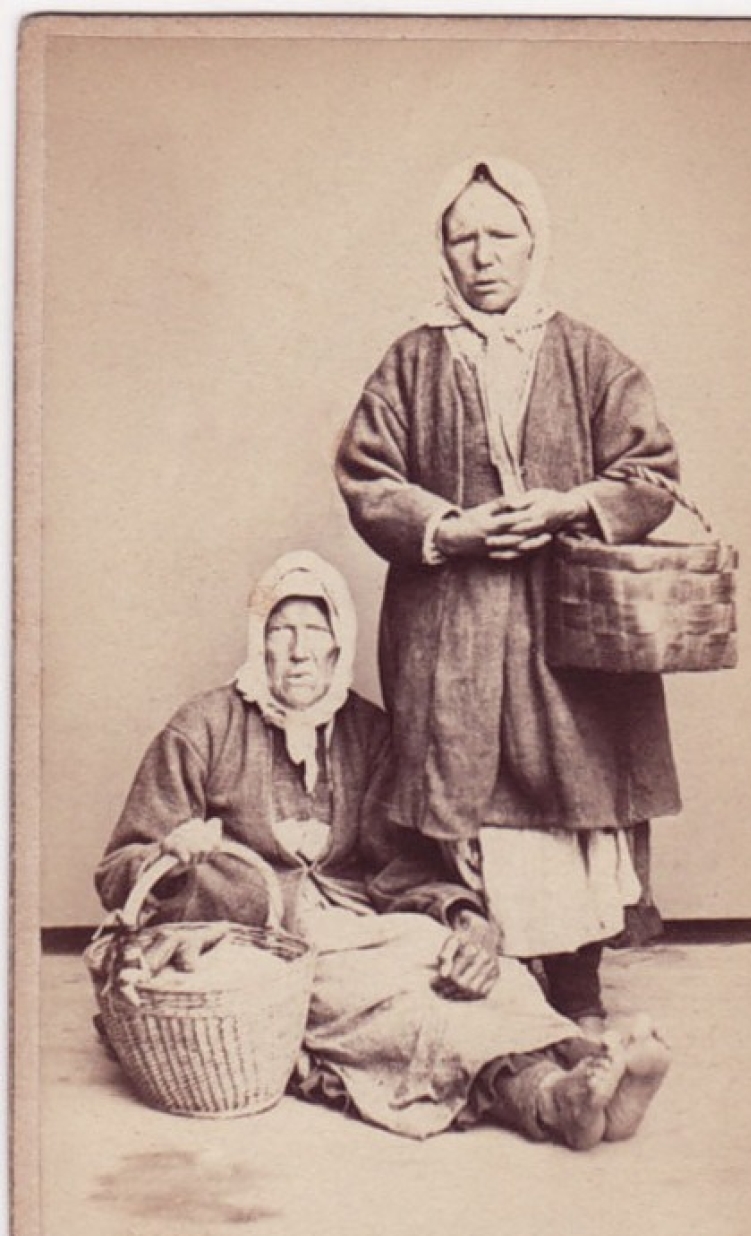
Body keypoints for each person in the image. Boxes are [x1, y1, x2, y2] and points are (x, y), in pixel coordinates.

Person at [94, 550, 669, 1146]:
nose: (299, 651)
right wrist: (170, 858)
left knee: (473, 967)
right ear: (258, 641)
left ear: (339, 644)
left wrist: (465, 919)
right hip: (263, 941)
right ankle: (549, 1099)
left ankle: (588, 1062)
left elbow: (399, 861)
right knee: (396, 1007)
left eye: (315, 631)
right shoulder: (204, 728)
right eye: (282, 630)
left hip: (359, 921)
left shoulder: (364, 731)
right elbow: (119, 869)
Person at [335, 157, 682, 1032]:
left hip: (567, 624)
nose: (482, 255)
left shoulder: (588, 355)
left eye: (500, 235)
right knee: (469, 790)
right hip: (449, 622)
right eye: (463, 238)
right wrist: (450, 529)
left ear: (534, 243)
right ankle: (498, 976)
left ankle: (577, 984)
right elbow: (367, 476)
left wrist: (569, 505)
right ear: (442, 251)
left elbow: (651, 473)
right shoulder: (410, 360)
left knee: (570, 786)